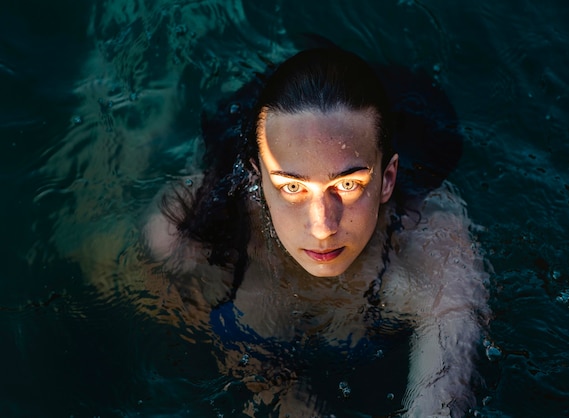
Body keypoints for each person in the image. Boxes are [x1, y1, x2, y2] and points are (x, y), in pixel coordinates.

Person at [144, 47, 490, 417]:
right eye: (292, 188)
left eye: (348, 185)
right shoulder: (189, 230)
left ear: (387, 180)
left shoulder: (431, 249)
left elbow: (438, 405)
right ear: (257, 181)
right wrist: (273, 385)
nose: (323, 226)